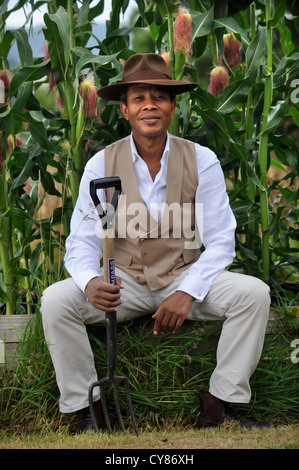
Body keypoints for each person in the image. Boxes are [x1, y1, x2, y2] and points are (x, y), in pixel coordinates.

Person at [41, 53, 275, 433]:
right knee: (55, 301)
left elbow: (220, 241)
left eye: (159, 97)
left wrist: (189, 291)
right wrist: (90, 282)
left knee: (253, 294)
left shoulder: (202, 160)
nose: (150, 104)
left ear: (171, 106)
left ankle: (220, 405)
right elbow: (81, 241)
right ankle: (92, 411)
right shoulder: (101, 165)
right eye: (139, 98)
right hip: (124, 283)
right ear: (125, 110)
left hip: (184, 276)